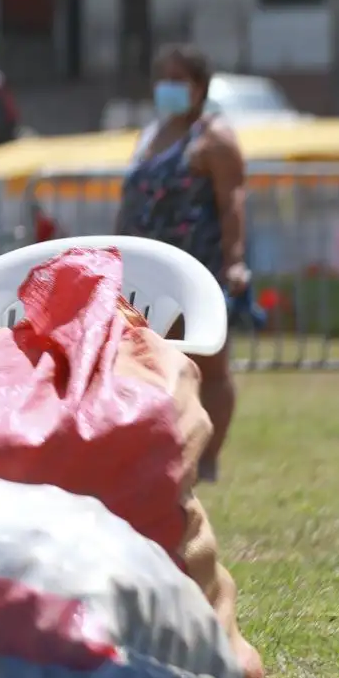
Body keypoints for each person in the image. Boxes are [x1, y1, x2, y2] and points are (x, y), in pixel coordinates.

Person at [115, 43, 251, 484]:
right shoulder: (150, 135)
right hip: (143, 271)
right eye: (164, 79)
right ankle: (157, 455)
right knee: (145, 363)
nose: (169, 88)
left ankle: (207, 460)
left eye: (179, 80)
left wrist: (234, 263)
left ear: (199, 87)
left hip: (197, 269)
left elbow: (232, 205)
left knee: (207, 365)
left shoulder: (214, 138)